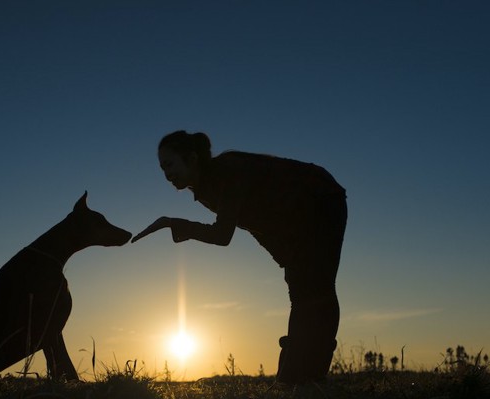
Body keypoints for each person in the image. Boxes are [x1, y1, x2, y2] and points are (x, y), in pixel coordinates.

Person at [132, 130, 347, 383]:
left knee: (316, 289)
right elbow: (252, 222)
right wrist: (286, 258)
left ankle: (303, 376)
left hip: (320, 199)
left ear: (191, 158)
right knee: (302, 289)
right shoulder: (204, 188)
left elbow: (223, 234)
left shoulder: (227, 171)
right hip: (295, 219)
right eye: (162, 169)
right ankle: (296, 376)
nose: (166, 175)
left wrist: (173, 223)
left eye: (169, 165)